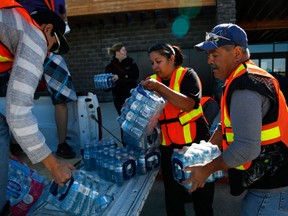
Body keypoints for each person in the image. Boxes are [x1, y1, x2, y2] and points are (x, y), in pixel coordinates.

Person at [183, 23, 288, 216]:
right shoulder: (247, 76)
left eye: (215, 55)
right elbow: (228, 125)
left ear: (237, 53)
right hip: (272, 186)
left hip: (271, 194)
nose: (209, 61)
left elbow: (246, 148)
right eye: (208, 56)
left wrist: (207, 169)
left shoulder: (244, 86)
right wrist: (204, 148)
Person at [0, 2, 75, 214]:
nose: (48, 54)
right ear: (47, 29)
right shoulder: (34, 36)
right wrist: (54, 165)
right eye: (51, 46)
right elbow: (18, 114)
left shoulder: (9, 23)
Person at [141, 43, 214, 216]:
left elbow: (189, 104)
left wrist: (159, 88)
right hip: (168, 147)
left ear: (171, 59)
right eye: (152, 63)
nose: (155, 66)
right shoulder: (152, 81)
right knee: (173, 197)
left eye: (158, 61)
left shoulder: (187, 75)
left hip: (195, 145)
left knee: (200, 193)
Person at [10, 0, 77, 159]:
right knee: (17, 98)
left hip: (40, 40)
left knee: (60, 96)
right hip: (25, 39)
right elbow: (62, 16)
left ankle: (61, 145)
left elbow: (62, 15)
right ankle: (15, 143)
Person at [105, 42, 139, 115]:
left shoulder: (131, 62)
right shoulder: (110, 66)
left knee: (135, 116)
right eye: (123, 50)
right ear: (117, 52)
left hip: (132, 95)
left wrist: (119, 77)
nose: (125, 52)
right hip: (119, 97)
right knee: (123, 118)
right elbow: (106, 86)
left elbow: (135, 75)